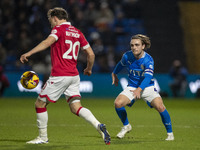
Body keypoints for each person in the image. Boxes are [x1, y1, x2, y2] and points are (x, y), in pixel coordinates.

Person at [20, 7, 110, 145]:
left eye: (50, 19)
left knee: (40, 103)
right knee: (76, 107)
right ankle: (98, 125)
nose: (50, 22)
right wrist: (88, 69)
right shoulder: (78, 32)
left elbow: (46, 42)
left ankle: (42, 137)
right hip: (74, 75)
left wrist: (29, 53)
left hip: (60, 75)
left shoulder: (58, 30)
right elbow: (91, 54)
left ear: (55, 18)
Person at [111, 34, 174, 141]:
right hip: (132, 87)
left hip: (147, 88)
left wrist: (139, 90)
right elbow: (120, 64)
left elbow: (148, 77)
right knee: (118, 103)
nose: (134, 47)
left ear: (143, 46)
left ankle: (170, 134)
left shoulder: (148, 60)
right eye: (132, 45)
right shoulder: (127, 56)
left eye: (137, 45)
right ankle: (126, 126)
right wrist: (114, 73)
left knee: (160, 107)